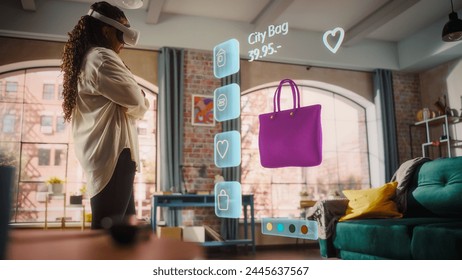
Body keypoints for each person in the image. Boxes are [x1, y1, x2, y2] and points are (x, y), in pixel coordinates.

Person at [61, 1, 149, 229]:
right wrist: (141, 98)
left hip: (114, 155)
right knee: (106, 233)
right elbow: (136, 100)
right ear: (107, 30)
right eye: (121, 34)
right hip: (114, 154)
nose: (124, 43)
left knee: (122, 231)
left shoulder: (92, 58)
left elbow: (131, 99)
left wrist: (135, 97)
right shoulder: (101, 58)